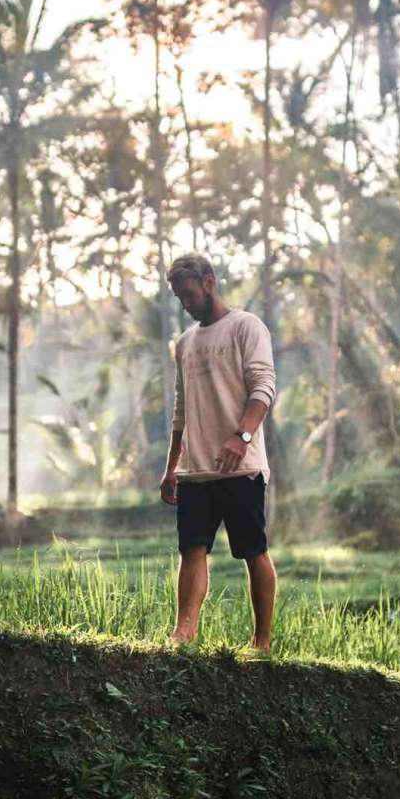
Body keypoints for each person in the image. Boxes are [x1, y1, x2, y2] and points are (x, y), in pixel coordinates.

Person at [159, 252, 278, 655]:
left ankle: (261, 643)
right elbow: (182, 408)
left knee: (253, 550)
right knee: (191, 549)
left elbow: (263, 388)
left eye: (190, 294)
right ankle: (184, 634)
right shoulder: (185, 344)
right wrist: (172, 465)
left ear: (209, 282)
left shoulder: (246, 327)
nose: (186, 304)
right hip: (195, 469)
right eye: (179, 298)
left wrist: (241, 438)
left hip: (240, 467)